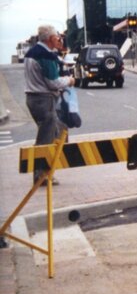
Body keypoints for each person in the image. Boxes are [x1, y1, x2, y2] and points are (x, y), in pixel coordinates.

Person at [24, 25, 75, 184]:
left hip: (33, 98)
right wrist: (70, 80)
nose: (59, 39)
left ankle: (45, 171)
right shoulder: (46, 55)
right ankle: (42, 175)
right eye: (56, 36)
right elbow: (53, 83)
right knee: (46, 138)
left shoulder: (32, 53)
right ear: (49, 38)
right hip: (44, 99)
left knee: (52, 133)